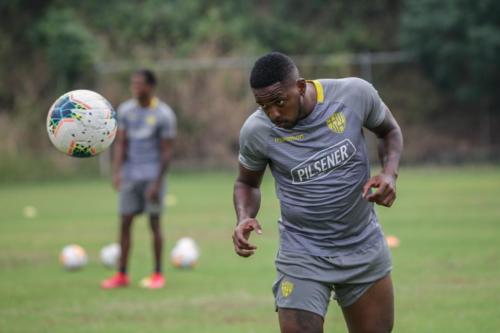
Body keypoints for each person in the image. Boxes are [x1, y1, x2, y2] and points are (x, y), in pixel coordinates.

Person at [232, 52, 403, 333]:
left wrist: (389, 174)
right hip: (302, 252)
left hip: (361, 245)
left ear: (300, 87)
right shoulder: (257, 131)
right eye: (263, 106)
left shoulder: (353, 95)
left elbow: (389, 131)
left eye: (279, 102)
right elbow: (247, 183)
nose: (273, 113)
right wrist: (243, 216)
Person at [101, 69, 177, 289]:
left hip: (152, 176)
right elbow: (121, 144)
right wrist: (117, 172)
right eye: (133, 83)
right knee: (124, 222)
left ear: (151, 87)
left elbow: (166, 152)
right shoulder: (125, 111)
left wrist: (157, 182)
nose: (135, 87)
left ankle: (157, 274)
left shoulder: (164, 114)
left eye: (140, 84)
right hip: (130, 176)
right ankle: (122, 275)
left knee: (154, 224)